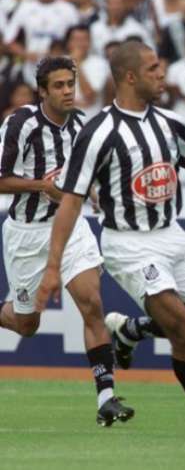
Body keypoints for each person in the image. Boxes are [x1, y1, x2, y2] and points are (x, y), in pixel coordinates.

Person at [36, 40, 185, 435]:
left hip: (171, 235)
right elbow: (70, 203)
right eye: (153, 69)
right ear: (130, 77)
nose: (162, 75)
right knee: (183, 330)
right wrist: (52, 267)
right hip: (128, 244)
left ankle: (132, 329)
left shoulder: (168, 122)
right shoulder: (98, 132)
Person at [0, 56, 134, 426]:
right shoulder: (20, 124)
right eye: (58, 86)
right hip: (26, 234)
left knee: (91, 301)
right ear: (42, 91)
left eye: (70, 84)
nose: (67, 92)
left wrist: (92, 194)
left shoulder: (81, 127)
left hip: (70, 227)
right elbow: (1, 179)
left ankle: (106, 398)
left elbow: (84, 176)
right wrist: (41, 186)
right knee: (27, 325)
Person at [2, 0, 79, 87]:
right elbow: (8, 40)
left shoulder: (68, 9)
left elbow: (79, 39)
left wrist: (62, 52)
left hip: (61, 69)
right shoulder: (25, 7)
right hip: (31, 71)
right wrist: (25, 54)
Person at [90, 0, 155, 57]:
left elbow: (151, 53)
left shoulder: (137, 29)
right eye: (111, 3)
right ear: (106, 5)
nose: (115, 7)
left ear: (125, 5)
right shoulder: (95, 28)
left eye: (118, 3)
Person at [66, 25, 112, 122]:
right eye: (76, 40)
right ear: (68, 43)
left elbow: (89, 95)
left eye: (84, 40)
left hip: (91, 122)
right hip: (64, 123)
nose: (80, 44)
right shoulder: (58, 63)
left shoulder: (100, 64)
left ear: (90, 42)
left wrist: (77, 64)